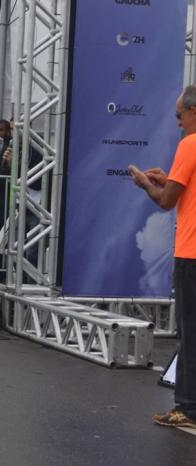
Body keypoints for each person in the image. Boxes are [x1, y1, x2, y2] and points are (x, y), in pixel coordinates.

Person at [129, 85, 196, 429]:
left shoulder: (189, 144)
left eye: (179, 116)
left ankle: (187, 407)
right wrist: (168, 179)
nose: (177, 124)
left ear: (193, 112)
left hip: (192, 253)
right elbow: (183, 188)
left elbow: (167, 201)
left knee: (190, 332)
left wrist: (145, 183)